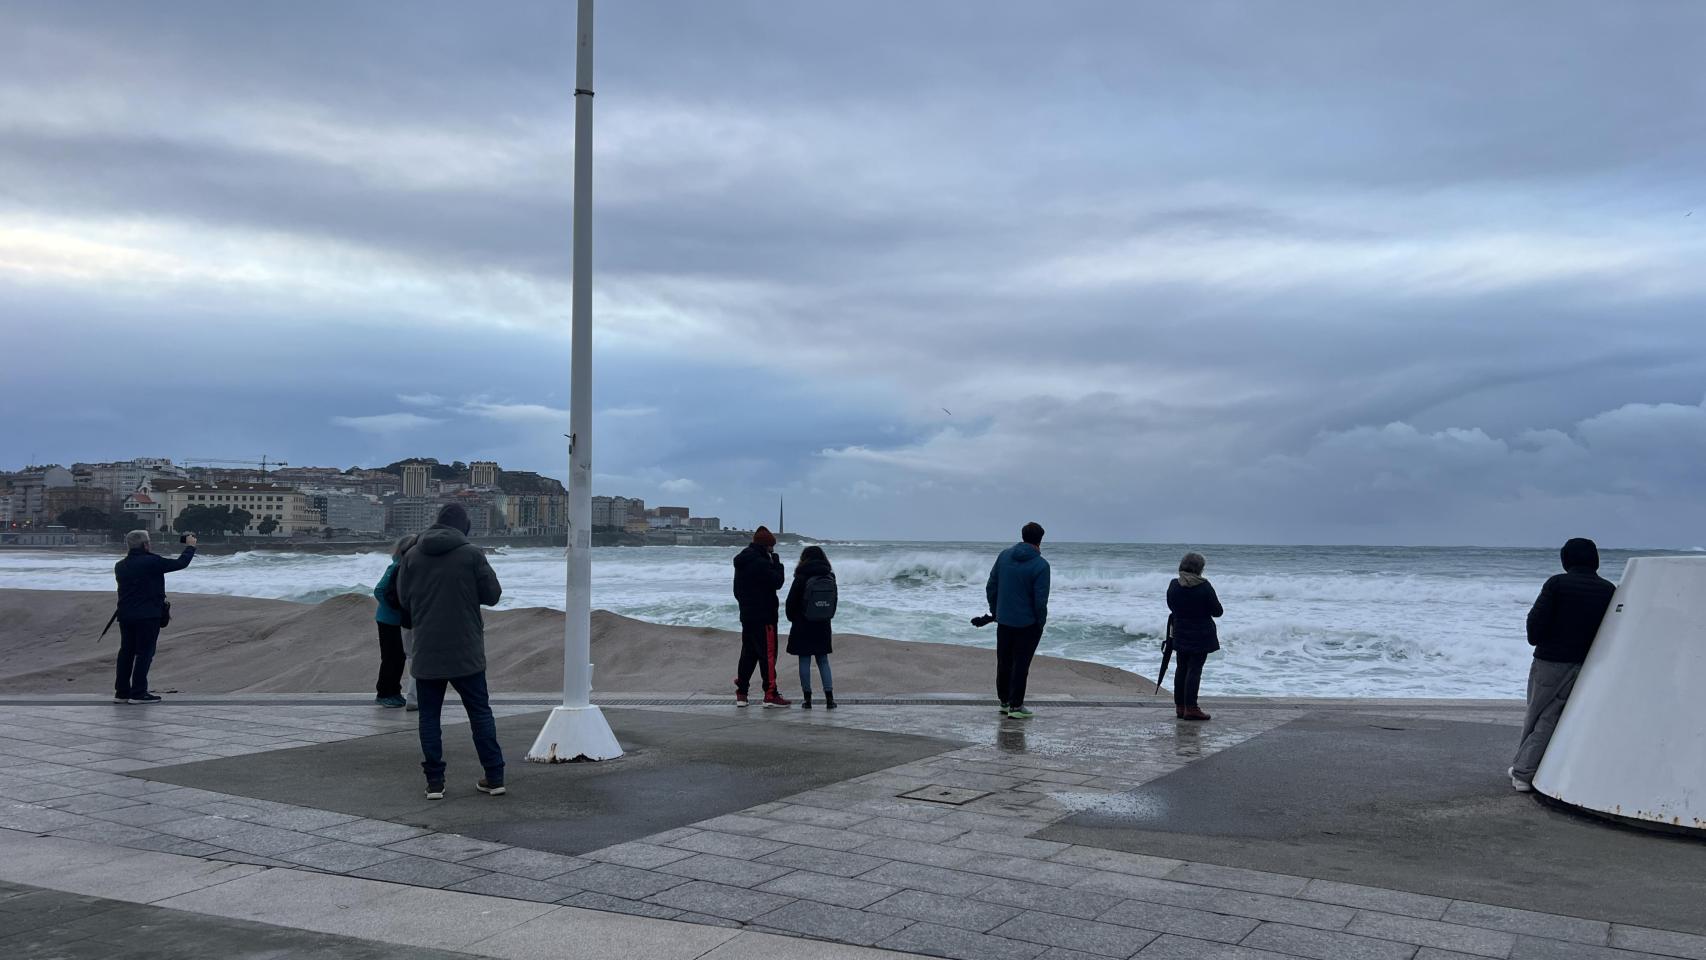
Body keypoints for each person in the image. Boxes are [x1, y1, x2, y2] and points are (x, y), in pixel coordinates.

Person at [396, 504, 505, 800]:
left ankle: (435, 783)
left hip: (427, 648)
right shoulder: (472, 554)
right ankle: (494, 777)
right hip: (466, 648)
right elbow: (493, 596)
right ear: (464, 526)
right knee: (480, 713)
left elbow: (403, 600)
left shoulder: (412, 556)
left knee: (429, 717)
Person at [1509, 537, 1615, 793]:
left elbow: (1535, 626)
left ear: (1566, 559)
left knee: (1538, 715)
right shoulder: (1608, 589)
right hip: (1588, 663)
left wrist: (1539, 639)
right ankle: (1537, 769)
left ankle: (1523, 772)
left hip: (1550, 661)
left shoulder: (1557, 584)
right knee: (1558, 716)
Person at [111, 530, 196, 705]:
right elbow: (181, 563)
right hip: (147, 616)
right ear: (145, 545)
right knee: (144, 653)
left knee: (126, 652)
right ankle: (138, 693)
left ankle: (122, 693)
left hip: (125, 615)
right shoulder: (152, 562)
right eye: (149, 541)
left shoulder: (120, 565)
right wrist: (190, 547)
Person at [986, 522, 1051, 720]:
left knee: (1004, 661)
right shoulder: (1041, 565)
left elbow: (991, 586)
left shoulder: (1004, 556)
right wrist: (1040, 622)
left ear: (1023, 536)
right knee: (1021, 664)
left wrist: (995, 611)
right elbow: (1040, 601)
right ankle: (1016, 706)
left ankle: (1004, 702)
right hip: (1027, 623)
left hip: (1004, 619)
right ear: (1040, 541)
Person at [733, 526, 789, 707]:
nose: (773, 550)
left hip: (747, 616)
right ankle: (770, 694)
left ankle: (742, 693)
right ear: (766, 546)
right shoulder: (762, 562)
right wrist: (778, 564)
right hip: (765, 617)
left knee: (748, 655)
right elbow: (777, 582)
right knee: (768, 655)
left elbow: (737, 590)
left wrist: (746, 606)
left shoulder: (742, 561)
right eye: (772, 546)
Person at [1166, 552, 1223, 722]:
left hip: (1180, 631)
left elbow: (1170, 605)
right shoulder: (1204, 586)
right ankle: (1191, 708)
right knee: (1194, 670)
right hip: (1201, 634)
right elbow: (1217, 611)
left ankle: (1180, 706)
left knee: (1181, 668)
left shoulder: (1174, 585)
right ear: (1200, 569)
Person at [785, 545, 837, 710]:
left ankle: (807, 700)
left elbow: (791, 602)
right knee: (823, 660)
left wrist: (792, 618)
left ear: (804, 559)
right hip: (823, 623)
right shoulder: (829, 575)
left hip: (803, 623)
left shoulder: (801, 576)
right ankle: (830, 699)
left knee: (804, 660)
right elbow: (834, 601)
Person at [371, 535, 417, 709]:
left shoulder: (406, 566)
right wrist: (396, 607)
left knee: (399, 657)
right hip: (388, 620)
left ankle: (394, 692)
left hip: (397, 620)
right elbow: (379, 590)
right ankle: (384, 694)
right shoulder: (396, 567)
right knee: (392, 657)